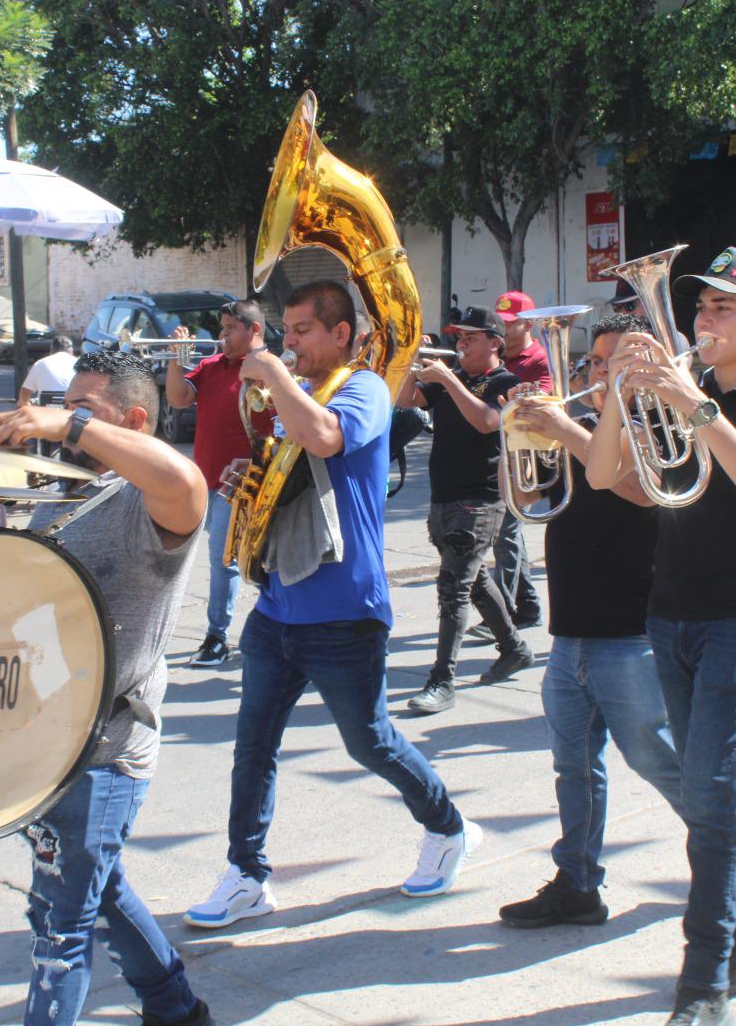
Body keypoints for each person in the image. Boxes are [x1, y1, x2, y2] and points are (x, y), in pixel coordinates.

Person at [184, 280, 480, 930]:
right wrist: (251, 478)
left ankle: (448, 827)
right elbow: (289, 472)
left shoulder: (363, 388)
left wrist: (269, 372)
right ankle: (246, 874)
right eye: (285, 331)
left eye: (303, 331)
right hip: (278, 606)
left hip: (345, 609)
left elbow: (323, 439)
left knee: (370, 742)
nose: (289, 343)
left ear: (341, 334)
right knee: (252, 746)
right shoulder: (298, 391)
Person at [587, 247, 736, 1026]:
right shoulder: (681, 387)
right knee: (711, 792)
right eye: (699, 306)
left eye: (723, 307)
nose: (703, 319)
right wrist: (620, 390)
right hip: (670, 610)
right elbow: (603, 477)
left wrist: (693, 404)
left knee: (713, 792)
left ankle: (704, 980)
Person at [0, 349, 216, 1026]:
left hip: (107, 749)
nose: (64, 420)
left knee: (60, 926)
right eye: (66, 408)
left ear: (135, 422)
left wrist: (67, 425)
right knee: (99, 891)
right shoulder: (65, 490)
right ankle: (177, 1010)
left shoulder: (154, 501)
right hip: (46, 739)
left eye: (84, 409)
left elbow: (187, 478)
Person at [496, 312, 685, 929]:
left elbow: (638, 489)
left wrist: (566, 431)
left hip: (632, 633)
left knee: (659, 763)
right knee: (573, 768)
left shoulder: (662, 426)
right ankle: (577, 884)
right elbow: (529, 501)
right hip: (570, 631)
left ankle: (731, 862)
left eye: (614, 361)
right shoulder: (576, 425)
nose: (599, 373)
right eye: (595, 362)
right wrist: (516, 435)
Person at [397, 306, 536, 714]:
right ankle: (514, 648)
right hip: (443, 496)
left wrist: (448, 380)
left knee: (453, 588)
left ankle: (442, 680)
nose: (461, 344)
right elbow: (405, 399)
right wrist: (408, 361)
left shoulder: (506, 382)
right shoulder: (453, 378)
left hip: (481, 498)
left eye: (471, 338)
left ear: (494, 343)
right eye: (459, 337)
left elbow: (487, 421)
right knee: (474, 582)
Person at [163, 299, 272, 667]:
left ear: (254, 329)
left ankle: (216, 637)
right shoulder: (211, 365)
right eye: (221, 327)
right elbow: (178, 398)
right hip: (207, 479)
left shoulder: (268, 369)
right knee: (242, 560)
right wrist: (176, 359)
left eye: (230, 328)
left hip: (244, 482)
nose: (222, 335)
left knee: (223, 560)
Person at [470, 289, 548, 640]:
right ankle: (528, 606)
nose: (503, 329)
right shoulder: (496, 358)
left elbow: (544, 403)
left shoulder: (539, 360)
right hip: (493, 456)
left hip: (523, 458)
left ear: (528, 324)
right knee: (509, 535)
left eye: (511, 323)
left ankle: (499, 615)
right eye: (500, 322)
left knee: (505, 532)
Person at [18, 335, 77, 405]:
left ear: (51, 350)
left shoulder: (40, 363)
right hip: (72, 409)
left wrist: (27, 406)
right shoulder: (80, 364)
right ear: (71, 350)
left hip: (46, 409)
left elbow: (24, 394)